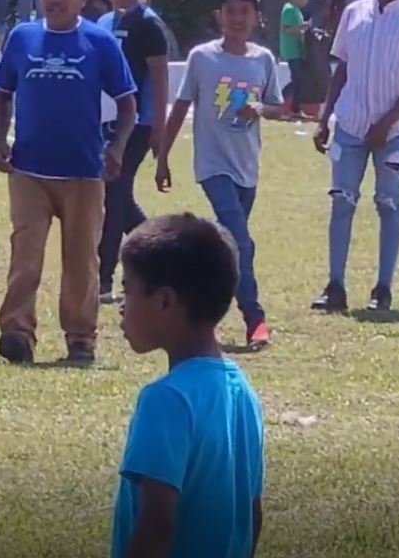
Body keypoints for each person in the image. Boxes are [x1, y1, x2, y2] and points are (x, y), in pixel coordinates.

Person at [0, 0, 136, 365]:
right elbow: (3, 93)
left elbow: (128, 104)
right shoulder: (22, 38)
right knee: (26, 254)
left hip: (84, 171)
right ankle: (17, 332)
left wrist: (117, 148)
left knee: (80, 259)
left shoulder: (99, 43)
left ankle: (80, 339)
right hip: (29, 169)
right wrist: (0, 139)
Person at [112, 214, 264, 558]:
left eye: (128, 290)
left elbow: (156, 527)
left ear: (164, 302)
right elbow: (252, 514)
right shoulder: (242, 391)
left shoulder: (166, 400)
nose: (122, 307)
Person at [156, 0, 283, 349]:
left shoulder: (263, 60)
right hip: (213, 165)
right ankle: (255, 319)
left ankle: (199, 309)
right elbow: (180, 106)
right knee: (241, 241)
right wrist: (163, 156)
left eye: (245, 12)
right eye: (230, 12)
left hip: (248, 166)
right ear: (219, 17)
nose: (237, 19)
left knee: (226, 246)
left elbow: (277, 106)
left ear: (256, 18)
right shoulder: (201, 57)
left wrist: (260, 109)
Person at [312, 0, 399, 314]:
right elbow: (342, 67)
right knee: (341, 202)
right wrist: (324, 117)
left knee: (388, 204)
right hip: (350, 122)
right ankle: (335, 285)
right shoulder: (354, 13)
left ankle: (383, 287)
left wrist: (388, 122)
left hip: (393, 131)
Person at [95, 0, 168, 303]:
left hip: (137, 122)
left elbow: (159, 77)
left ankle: (104, 278)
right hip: (105, 119)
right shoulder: (105, 21)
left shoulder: (148, 23)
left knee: (114, 193)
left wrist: (159, 127)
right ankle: (159, 253)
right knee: (117, 195)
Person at [280, 0, 313, 118]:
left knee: (299, 81)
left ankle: (295, 109)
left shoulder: (297, 10)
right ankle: (285, 107)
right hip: (291, 50)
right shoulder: (289, 9)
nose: (307, 0)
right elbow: (286, 29)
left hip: (297, 50)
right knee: (297, 81)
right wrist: (302, 27)